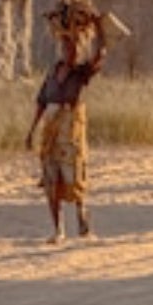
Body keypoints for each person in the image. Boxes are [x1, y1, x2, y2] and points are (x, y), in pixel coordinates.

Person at [26, 27, 108, 244]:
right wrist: (32, 130)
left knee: (76, 176)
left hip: (71, 131)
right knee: (51, 179)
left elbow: (99, 57)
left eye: (73, 47)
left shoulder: (81, 73)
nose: (69, 51)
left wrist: (100, 34)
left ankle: (83, 223)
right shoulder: (52, 73)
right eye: (65, 47)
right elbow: (41, 102)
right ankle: (58, 230)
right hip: (50, 131)